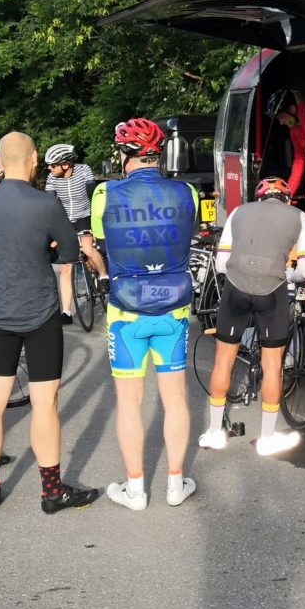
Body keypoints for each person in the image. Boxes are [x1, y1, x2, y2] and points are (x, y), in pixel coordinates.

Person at [0, 132, 99, 513]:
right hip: (40, 314)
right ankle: (52, 492)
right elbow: (71, 251)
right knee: (44, 404)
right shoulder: (45, 203)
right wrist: (47, 249)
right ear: (33, 160)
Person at [90, 118, 198, 510]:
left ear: (124, 154)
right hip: (174, 309)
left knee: (129, 403)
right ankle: (175, 485)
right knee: (176, 399)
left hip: (126, 312)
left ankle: (135, 490)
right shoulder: (187, 191)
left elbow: (100, 240)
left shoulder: (104, 193)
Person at [199, 176, 305, 456]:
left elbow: (222, 264)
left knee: (223, 360)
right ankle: (266, 438)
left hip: (235, 289)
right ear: (286, 198)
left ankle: (214, 432)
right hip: (272, 291)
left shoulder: (238, 212)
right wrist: (287, 275)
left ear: (259, 197)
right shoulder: (300, 217)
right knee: (272, 366)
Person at [43, 143, 107, 324]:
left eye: (53, 165)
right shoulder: (52, 178)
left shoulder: (83, 170)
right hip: (65, 220)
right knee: (66, 267)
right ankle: (66, 312)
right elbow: (49, 202)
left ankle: (103, 276)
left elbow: (92, 193)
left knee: (87, 248)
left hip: (84, 216)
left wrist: (96, 223)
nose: (49, 168)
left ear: (66, 164)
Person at [267, 89, 305, 201]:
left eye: (281, 117)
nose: (281, 123)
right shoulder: (293, 130)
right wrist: (288, 194)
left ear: (292, 109)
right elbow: (299, 161)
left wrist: (298, 98)